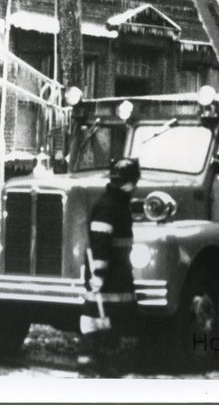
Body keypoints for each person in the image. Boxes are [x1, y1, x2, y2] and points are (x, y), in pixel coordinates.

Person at [78, 157, 140, 375]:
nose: (135, 187)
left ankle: (106, 363)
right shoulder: (109, 206)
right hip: (108, 278)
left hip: (118, 275)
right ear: (129, 182)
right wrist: (99, 275)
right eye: (134, 181)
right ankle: (92, 367)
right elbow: (101, 244)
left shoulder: (117, 203)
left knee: (113, 322)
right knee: (98, 323)